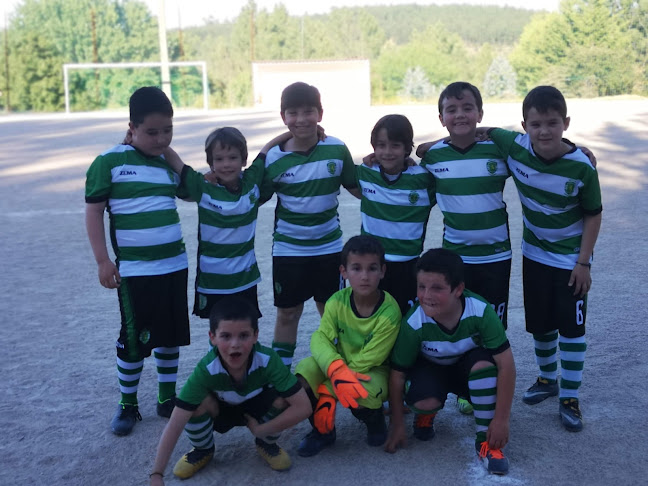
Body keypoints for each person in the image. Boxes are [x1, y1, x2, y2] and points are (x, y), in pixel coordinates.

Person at [486, 86, 602, 432]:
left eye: (552, 123)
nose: (544, 131)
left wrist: (584, 263)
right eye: (536, 124)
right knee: (540, 324)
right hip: (534, 255)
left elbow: (593, 215)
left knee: (572, 328)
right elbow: (479, 132)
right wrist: (427, 147)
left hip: (570, 262)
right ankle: (547, 379)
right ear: (524, 126)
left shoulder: (581, 167)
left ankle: (569, 396)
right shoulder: (514, 146)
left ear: (566, 122)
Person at [85, 86, 190, 436]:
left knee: (170, 334)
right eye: (152, 132)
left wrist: (169, 153)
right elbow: (94, 212)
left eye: (168, 131)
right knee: (133, 339)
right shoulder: (109, 162)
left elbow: (192, 189)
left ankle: (166, 397)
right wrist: (103, 260)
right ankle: (128, 404)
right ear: (131, 127)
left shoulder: (166, 163)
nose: (161, 139)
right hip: (135, 271)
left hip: (174, 265)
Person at [416, 81, 511, 416]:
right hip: (456, 259)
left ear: (480, 113)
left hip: (497, 256)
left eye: (467, 108)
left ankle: (490, 381)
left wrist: (576, 148)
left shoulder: (498, 151)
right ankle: (465, 386)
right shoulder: (434, 157)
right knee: (458, 321)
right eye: (451, 110)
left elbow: (538, 155)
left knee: (493, 323)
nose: (460, 114)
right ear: (441, 117)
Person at [148, 297, 312, 485]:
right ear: (213, 337)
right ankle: (203, 450)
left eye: (243, 335)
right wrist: (157, 474)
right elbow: (175, 423)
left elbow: (303, 407)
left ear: (256, 335)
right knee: (193, 404)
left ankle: (267, 443)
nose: (235, 344)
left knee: (284, 399)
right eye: (226, 336)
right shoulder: (206, 369)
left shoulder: (268, 360)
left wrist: (261, 430)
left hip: (257, 410)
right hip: (221, 410)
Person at [385, 248, 515, 476]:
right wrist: (397, 424)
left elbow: (507, 366)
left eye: (437, 288)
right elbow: (397, 373)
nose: (426, 295)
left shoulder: (481, 310)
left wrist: (502, 420)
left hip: (468, 370)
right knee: (424, 399)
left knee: (485, 368)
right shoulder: (414, 321)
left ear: (458, 289)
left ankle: (486, 443)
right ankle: (426, 412)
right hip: (432, 369)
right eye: (421, 287)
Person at [260, 82, 358, 368]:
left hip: (329, 248)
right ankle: (281, 377)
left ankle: (342, 373)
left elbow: (358, 187)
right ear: (283, 117)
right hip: (289, 250)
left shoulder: (337, 150)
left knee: (332, 313)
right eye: (293, 113)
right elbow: (253, 196)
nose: (301, 119)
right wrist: (266, 148)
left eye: (308, 111)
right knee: (288, 314)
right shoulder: (275, 157)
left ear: (320, 113)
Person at [293, 235, 401, 457]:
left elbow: (371, 358)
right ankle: (323, 431)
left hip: (372, 370)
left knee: (361, 392)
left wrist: (328, 391)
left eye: (372, 269)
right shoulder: (336, 301)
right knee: (303, 376)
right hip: (338, 365)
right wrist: (335, 368)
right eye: (356, 268)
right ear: (344, 272)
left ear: (383, 271)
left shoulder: (390, 311)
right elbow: (320, 338)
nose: (364, 276)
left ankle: (374, 418)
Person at [161, 127, 279, 322]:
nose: (226, 164)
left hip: (245, 279)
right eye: (219, 159)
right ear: (210, 163)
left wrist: (296, 133)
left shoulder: (252, 181)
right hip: (212, 281)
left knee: (247, 329)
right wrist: (147, 140)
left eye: (233, 158)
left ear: (243, 159)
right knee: (218, 333)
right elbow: (176, 162)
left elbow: (267, 149)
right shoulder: (202, 186)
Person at [356, 114, 436, 315]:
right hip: (373, 264)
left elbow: (442, 153)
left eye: (395, 146)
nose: (387, 152)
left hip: (408, 265)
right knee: (371, 320)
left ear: (407, 148)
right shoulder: (365, 173)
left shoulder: (424, 179)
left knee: (405, 322)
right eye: (381, 145)